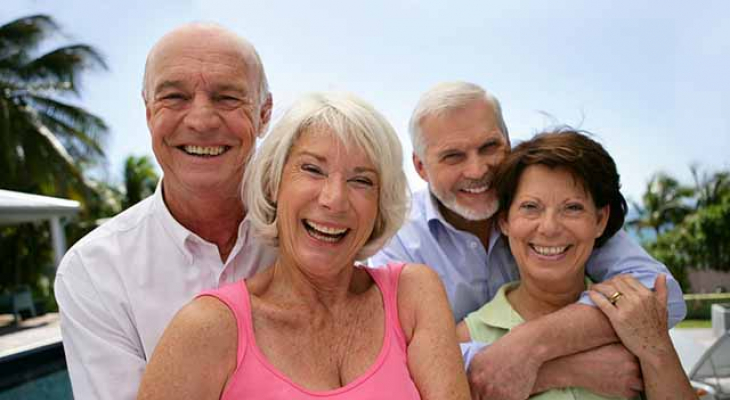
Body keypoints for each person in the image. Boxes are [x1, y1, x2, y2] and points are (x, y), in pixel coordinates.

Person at [136, 92, 470, 400]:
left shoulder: (413, 295)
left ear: (380, 204)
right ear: (274, 183)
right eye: (312, 169)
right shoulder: (208, 327)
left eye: (361, 180)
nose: (334, 200)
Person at [370, 81, 687, 399]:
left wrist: (534, 341)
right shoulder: (397, 239)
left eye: (489, 147)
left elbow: (662, 294)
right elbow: (393, 363)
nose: (478, 169)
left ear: (507, 142)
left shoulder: (547, 201)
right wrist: (562, 369)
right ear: (421, 166)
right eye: (453, 156)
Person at [54, 23, 276, 400]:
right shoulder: (94, 272)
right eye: (174, 97)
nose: (201, 121)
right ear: (148, 112)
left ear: (264, 114)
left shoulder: (313, 237)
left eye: (227, 98)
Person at [458, 129, 695, 399]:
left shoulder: (634, 314)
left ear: (600, 220)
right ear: (505, 222)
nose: (549, 228)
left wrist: (655, 350)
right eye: (530, 207)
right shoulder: (467, 337)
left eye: (572, 208)